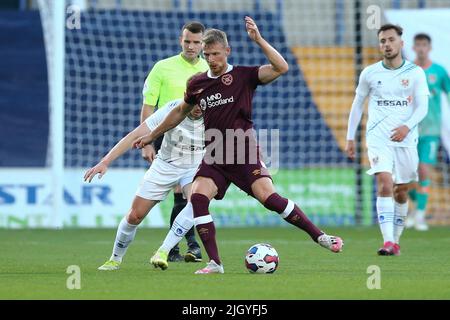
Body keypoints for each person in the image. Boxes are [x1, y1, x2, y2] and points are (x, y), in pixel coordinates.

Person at [134, 16, 344, 275]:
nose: (211, 59)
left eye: (216, 54)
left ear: (227, 51)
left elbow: (281, 67)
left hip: (242, 151)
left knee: (270, 199)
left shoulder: (244, 76)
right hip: (214, 155)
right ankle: (215, 263)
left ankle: (320, 236)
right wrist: (151, 135)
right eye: (207, 54)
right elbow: (179, 112)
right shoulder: (197, 83)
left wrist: (258, 40)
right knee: (198, 198)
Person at [84, 99, 204, 270]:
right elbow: (135, 134)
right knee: (135, 216)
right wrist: (105, 162)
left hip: (195, 166)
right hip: (165, 165)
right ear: (187, 97)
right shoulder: (173, 109)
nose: (199, 107)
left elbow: (237, 131)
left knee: (197, 203)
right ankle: (115, 259)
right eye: (195, 102)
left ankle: (163, 250)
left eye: (203, 102)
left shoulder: (215, 110)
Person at [345, 24, 429, 256]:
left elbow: (423, 107)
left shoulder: (415, 73)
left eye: (391, 40)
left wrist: (406, 127)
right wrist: (350, 137)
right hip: (378, 138)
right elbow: (357, 105)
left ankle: (397, 241)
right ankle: (388, 242)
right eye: (383, 41)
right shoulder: (370, 73)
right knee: (384, 182)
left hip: (406, 139)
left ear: (401, 43)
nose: (387, 44)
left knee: (401, 190)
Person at [141, 21, 209, 262]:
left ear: (203, 43)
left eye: (196, 42)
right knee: (181, 192)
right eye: (187, 41)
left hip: (199, 137)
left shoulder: (209, 68)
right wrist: (147, 142)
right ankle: (188, 245)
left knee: (190, 194)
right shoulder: (163, 67)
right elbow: (148, 107)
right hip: (166, 134)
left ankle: (178, 248)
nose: (191, 46)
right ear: (181, 40)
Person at [406, 33, 450, 231]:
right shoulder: (407, 70)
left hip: (431, 130)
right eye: (418, 45)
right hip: (409, 129)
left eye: (425, 45)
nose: (421, 48)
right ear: (414, 48)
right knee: (406, 175)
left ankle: (421, 216)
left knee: (424, 170)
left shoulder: (439, 71)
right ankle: (415, 208)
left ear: (429, 47)